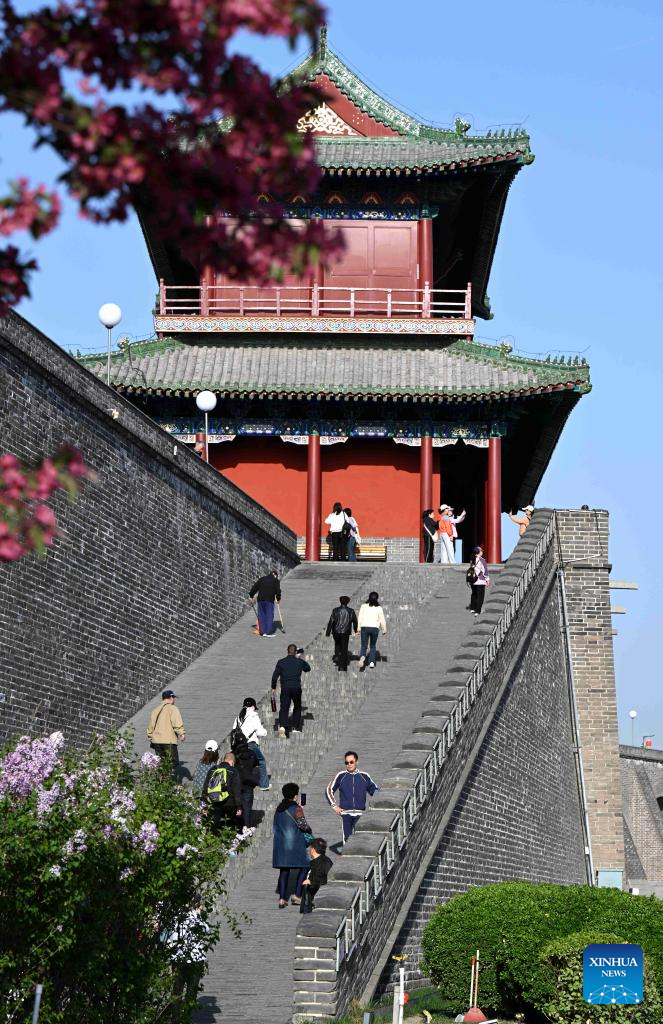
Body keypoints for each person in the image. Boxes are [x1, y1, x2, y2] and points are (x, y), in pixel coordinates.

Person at [272, 782, 313, 908]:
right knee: (305, 866)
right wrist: (309, 830)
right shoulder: (297, 809)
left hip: (280, 845)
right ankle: (297, 896)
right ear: (295, 795)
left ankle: (282, 899)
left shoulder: (279, 809)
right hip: (295, 844)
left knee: (284, 871)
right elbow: (303, 825)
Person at [326, 751, 378, 843]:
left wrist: (377, 808)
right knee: (347, 840)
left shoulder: (364, 776)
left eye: (351, 762)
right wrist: (334, 806)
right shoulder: (341, 776)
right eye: (347, 762)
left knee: (361, 840)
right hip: (346, 813)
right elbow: (329, 789)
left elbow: (375, 791)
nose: (349, 764)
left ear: (356, 762)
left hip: (360, 814)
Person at [271, 643, 311, 737]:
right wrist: (300, 657)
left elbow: (274, 676)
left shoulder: (281, 662)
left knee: (284, 707)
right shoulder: (299, 662)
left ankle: (282, 726)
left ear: (287, 651)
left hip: (285, 688)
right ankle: (295, 727)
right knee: (297, 707)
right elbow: (307, 669)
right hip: (296, 688)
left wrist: (273, 687)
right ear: (296, 652)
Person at [146, 689, 186, 776]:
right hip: (169, 742)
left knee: (161, 764)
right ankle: (171, 781)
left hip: (156, 742)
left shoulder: (155, 710)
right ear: (171, 698)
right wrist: (181, 733)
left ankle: (162, 780)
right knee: (172, 764)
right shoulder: (173, 708)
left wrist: (151, 737)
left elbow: (150, 726)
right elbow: (176, 722)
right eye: (174, 698)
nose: (174, 700)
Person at [201, 751, 242, 834]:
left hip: (213, 801)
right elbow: (237, 789)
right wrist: (239, 806)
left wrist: (204, 804)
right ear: (232, 762)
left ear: (224, 760)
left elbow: (205, 787)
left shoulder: (213, 769)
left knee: (213, 826)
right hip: (229, 803)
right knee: (229, 826)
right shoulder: (233, 770)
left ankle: (212, 840)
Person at [233, 697, 270, 790]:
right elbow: (260, 732)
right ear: (253, 706)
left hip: (238, 745)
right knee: (261, 761)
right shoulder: (254, 716)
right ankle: (264, 785)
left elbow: (234, 731)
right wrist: (265, 732)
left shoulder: (238, 717)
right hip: (250, 743)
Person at [230, 731, 260, 828]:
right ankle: (247, 829)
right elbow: (256, 765)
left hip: (235, 785)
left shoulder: (233, 754)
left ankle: (237, 829)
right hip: (248, 785)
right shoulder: (252, 753)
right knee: (247, 810)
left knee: (235, 808)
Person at [300, 838, 333, 914]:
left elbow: (325, 881)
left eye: (310, 848)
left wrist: (310, 882)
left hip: (316, 902)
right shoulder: (316, 862)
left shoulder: (324, 863)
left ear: (313, 850)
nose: (309, 850)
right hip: (310, 900)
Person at [326, 595, 358, 672]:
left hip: (336, 631)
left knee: (337, 643)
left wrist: (328, 632)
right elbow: (355, 621)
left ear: (340, 601)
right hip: (345, 632)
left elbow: (331, 621)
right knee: (344, 649)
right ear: (348, 602)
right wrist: (356, 630)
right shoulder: (351, 611)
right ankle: (342, 666)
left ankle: (337, 655)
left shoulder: (335, 610)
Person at [357, 591, 387, 670]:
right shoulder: (379, 608)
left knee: (364, 645)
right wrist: (384, 629)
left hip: (364, 627)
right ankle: (372, 662)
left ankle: (362, 656)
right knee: (373, 646)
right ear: (377, 598)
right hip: (374, 628)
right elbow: (382, 619)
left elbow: (360, 618)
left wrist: (358, 628)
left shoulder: (363, 606)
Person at [249, 569, 281, 638]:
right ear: (275, 575)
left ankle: (263, 632)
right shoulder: (276, 580)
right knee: (269, 615)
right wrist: (278, 599)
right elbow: (278, 591)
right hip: (269, 599)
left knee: (261, 615)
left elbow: (255, 587)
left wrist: (251, 595)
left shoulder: (262, 579)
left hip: (260, 599)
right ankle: (268, 632)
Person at [467, 545, 490, 615]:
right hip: (480, 580)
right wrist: (487, 579)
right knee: (480, 596)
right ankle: (478, 611)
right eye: (481, 551)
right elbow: (485, 571)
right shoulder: (482, 560)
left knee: (474, 594)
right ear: (479, 552)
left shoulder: (472, 560)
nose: (482, 552)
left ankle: (472, 608)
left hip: (473, 580)